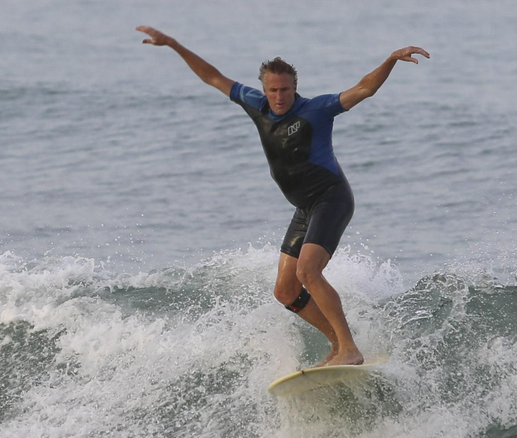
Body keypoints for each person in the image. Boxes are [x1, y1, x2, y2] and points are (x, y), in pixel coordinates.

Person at [136, 27, 429, 367]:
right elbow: (212, 77)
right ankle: (337, 345)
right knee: (286, 292)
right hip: (305, 208)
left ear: (295, 88)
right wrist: (172, 44)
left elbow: (364, 89)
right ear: (264, 89)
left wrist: (391, 59)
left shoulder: (317, 109)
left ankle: (349, 348)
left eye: (285, 90)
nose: (279, 97)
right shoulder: (255, 104)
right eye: (273, 90)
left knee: (308, 273)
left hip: (331, 199)